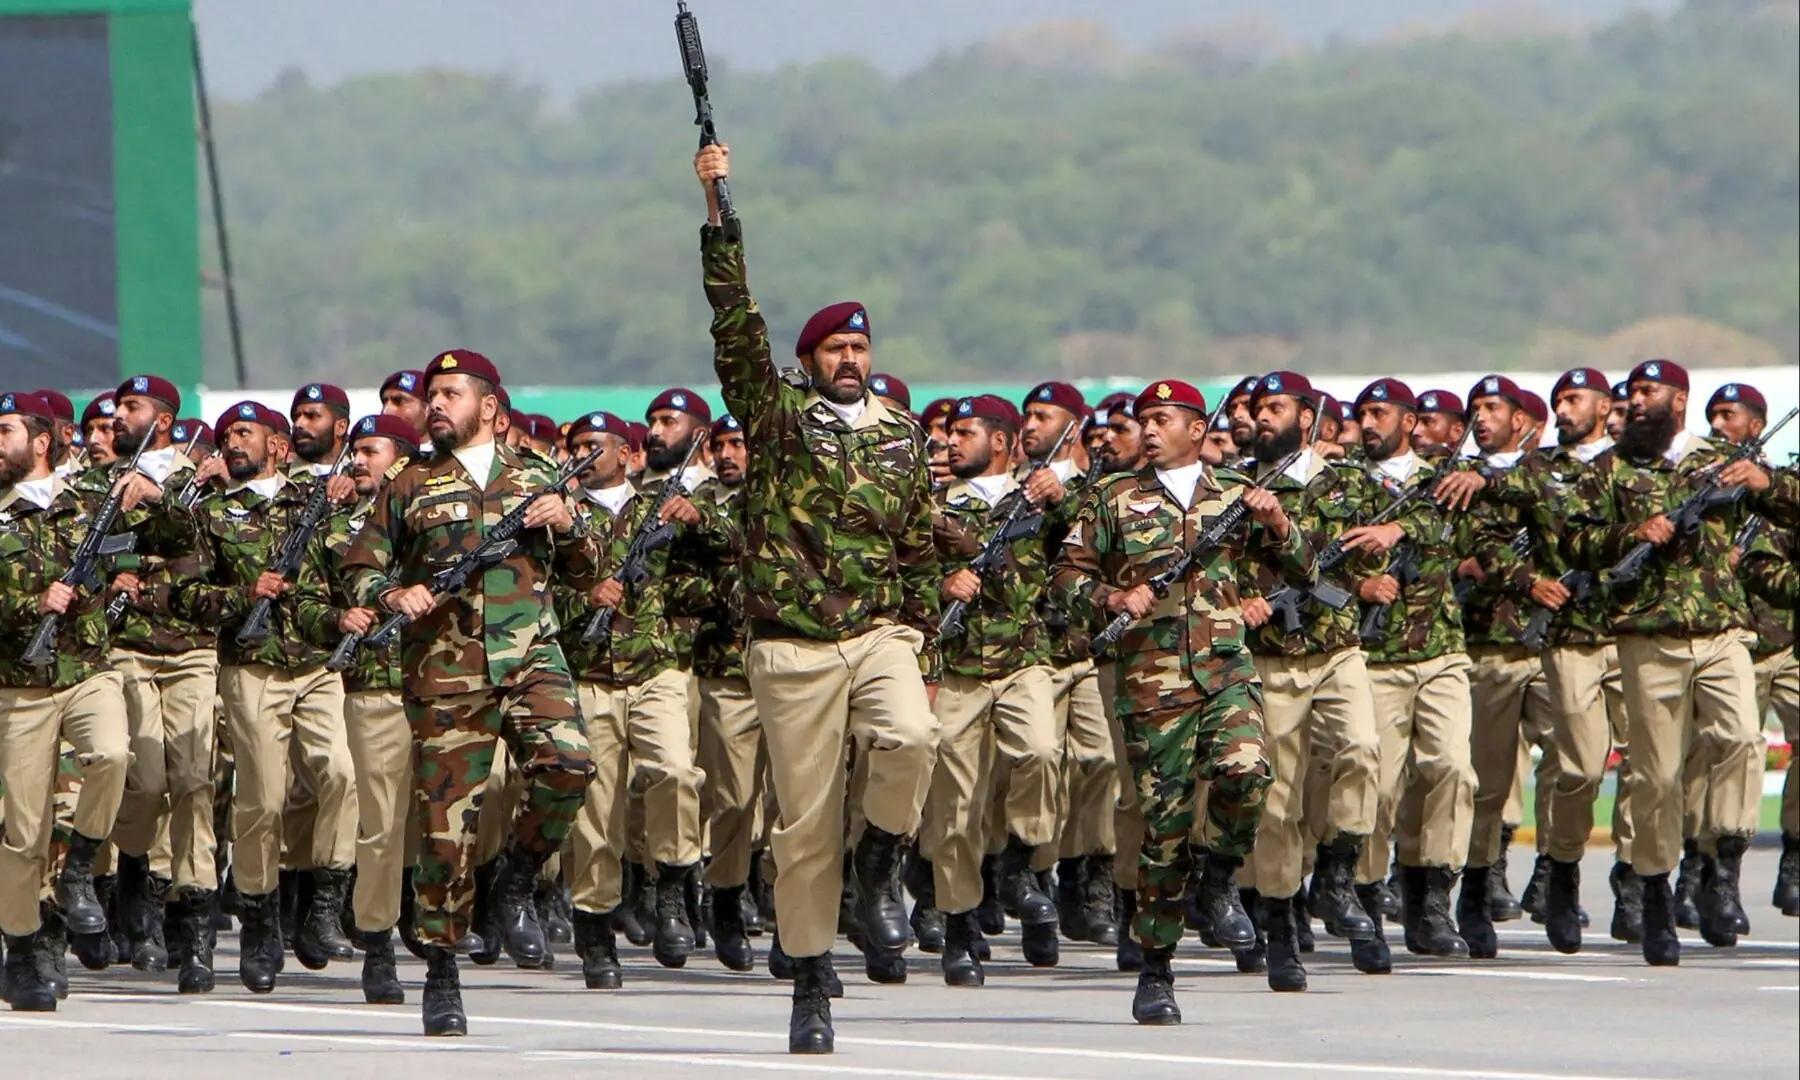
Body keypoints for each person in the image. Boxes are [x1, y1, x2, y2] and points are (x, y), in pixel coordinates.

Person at [697, 141, 940, 1055]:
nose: (852, 357)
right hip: (791, 643)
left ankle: (880, 860)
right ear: (807, 360)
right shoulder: (778, 414)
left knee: (913, 738)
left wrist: (928, 649)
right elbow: (733, 323)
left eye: (862, 345)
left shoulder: (904, 438)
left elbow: (917, 547)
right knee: (800, 825)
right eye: (836, 347)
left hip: (879, 632)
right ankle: (808, 975)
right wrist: (720, 208)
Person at [342, 349, 596, 1035]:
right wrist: (395, 592)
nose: (437, 404)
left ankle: (517, 872)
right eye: (431, 394)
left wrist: (568, 524)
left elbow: (588, 572)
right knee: (445, 829)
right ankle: (443, 969)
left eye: (452, 393)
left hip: (531, 658)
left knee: (569, 766)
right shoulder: (407, 480)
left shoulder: (538, 475)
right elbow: (359, 566)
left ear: (488, 405)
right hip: (446, 670)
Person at [1054, 378, 1310, 1022]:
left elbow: (1303, 569)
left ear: (1197, 429)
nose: (1147, 429)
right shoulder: (1112, 498)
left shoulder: (1236, 495)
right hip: (1151, 681)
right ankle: (1157, 967)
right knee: (1163, 827)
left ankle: (1220, 875)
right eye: (1142, 420)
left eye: (1162, 419)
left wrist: (1278, 522)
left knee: (1249, 775)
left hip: (1226, 670)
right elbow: (1065, 575)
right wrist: (1111, 598)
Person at [1563, 359, 1764, 966]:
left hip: (1721, 630)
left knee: (1742, 739)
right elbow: (1574, 539)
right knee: (1656, 777)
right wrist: (1632, 533)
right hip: (1649, 639)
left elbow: (1787, 509)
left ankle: (1722, 862)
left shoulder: (1718, 458)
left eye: (1649, 392)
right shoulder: (1610, 467)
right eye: (1633, 392)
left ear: (1679, 400)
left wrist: (1764, 484)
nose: (1637, 401)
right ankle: (1653, 891)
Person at [175, 400, 358, 992]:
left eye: (246, 434)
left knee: (339, 774)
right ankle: (259, 919)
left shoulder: (318, 501)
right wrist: (241, 597)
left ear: (278, 445)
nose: (233, 443)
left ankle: (325, 900)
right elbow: (185, 595)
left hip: (316, 664)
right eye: (227, 435)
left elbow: (349, 564)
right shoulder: (211, 514)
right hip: (252, 667)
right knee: (262, 802)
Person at [1481, 368, 1638, 948]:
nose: (1565, 409)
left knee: (1652, 766)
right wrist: (1529, 580)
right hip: (1570, 636)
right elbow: (1487, 541)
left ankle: (1637, 882)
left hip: (1634, 634)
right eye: (1559, 401)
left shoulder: (1637, 468)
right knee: (1579, 768)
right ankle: (1563, 869)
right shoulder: (1537, 471)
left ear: (1604, 406)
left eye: (1575, 399)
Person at [1237, 371, 1384, 988]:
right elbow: (1210, 564)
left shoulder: (1350, 482)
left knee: (1361, 749)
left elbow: (1389, 542)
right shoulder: (1236, 489)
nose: (1263, 417)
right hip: (1270, 659)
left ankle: (1339, 868)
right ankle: (1279, 925)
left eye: (1276, 407)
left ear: (1308, 417)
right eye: (1257, 408)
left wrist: (1390, 535)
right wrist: (1241, 596)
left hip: (1336, 649)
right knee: (1278, 799)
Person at [923, 394, 1062, 986]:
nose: (950, 442)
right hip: (957, 667)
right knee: (955, 805)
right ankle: (958, 924)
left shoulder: (1037, 498)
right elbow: (897, 571)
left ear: (1001, 442)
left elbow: (1085, 547)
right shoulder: (930, 507)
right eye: (948, 434)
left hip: (1023, 659)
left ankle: (1022, 862)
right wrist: (941, 586)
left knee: (1040, 752)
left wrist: (1063, 496)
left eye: (964, 433)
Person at [0, 391, 131, 1012]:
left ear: (40, 442)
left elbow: (152, 554)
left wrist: (152, 504)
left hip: (86, 672)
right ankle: (23, 949)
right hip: (18, 688)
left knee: (111, 754)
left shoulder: (91, 504)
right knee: (23, 837)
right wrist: (33, 606)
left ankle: (81, 864)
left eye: (4, 432)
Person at [294, 413, 421, 1005]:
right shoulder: (332, 530)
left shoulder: (439, 517)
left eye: (370, 450)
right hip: (373, 687)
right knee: (380, 824)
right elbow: (305, 604)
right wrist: (337, 618)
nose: (358, 460)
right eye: (355, 451)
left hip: (448, 682)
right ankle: (378, 941)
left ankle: (443, 916)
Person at [1348, 378, 1475, 959]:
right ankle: (1369, 900)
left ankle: (1433, 897)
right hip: (1376, 661)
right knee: (1378, 785)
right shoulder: (1341, 481)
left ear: (1409, 421)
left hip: (1442, 652)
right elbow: (1312, 551)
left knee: (1451, 769)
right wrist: (1358, 584)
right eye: (1363, 414)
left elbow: (1456, 524)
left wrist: (1401, 527)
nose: (1369, 423)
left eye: (1381, 413)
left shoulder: (1441, 481)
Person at [99, 376, 217, 984]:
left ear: (164, 420)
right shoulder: (98, 482)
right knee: (142, 781)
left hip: (192, 645)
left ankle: (193, 922)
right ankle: (137, 875)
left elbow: (209, 545)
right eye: (118, 406)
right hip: (129, 649)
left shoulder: (202, 481)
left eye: (133, 407)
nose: (119, 416)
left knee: (194, 779)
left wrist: (157, 500)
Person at [1020, 381, 1117, 950]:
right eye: (1027, 417)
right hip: (1039, 654)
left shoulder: (1102, 489)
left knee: (1100, 762)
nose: (1032, 426)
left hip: (1094, 650)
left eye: (1044, 416)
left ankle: (1092, 876)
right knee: (1043, 769)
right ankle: (1039, 882)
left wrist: (1064, 499)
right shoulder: (1015, 491)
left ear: (1073, 427)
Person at [692, 412, 770, 970]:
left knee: (798, 800)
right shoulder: (691, 508)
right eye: (719, 444)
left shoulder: (784, 499)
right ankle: (725, 894)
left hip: (793, 663)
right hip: (727, 670)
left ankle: (795, 920)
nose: (727, 453)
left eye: (738, 444)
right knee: (735, 798)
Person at [79, 394, 119, 469]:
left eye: (105, 429)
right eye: (89, 431)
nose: (92, 440)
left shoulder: (143, 479)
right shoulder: (74, 480)